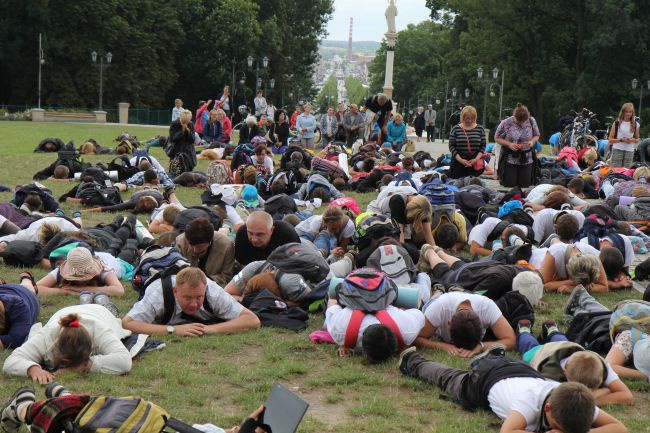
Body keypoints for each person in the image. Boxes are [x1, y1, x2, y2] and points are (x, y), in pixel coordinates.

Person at [399, 348, 628, 433]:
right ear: (547, 408)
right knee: (449, 378)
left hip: (521, 371)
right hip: (485, 382)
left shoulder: (576, 402)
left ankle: (492, 356)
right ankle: (412, 360)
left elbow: (619, 428)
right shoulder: (528, 404)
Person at [515, 319, 634, 405]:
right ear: (564, 372)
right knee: (528, 345)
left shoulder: (602, 365)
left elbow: (627, 396)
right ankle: (524, 332)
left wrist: (592, 400)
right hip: (540, 354)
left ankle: (552, 330)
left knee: (560, 339)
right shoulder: (550, 375)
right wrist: (603, 391)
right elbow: (562, 402)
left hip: (569, 346)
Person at [3, 304, 132, 383]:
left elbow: (124, 361)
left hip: (100, 312)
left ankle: (104, 303)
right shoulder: (46, 336)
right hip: (64, 312)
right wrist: (32, 369)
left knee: (106, 308)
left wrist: (83, 366)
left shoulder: (99, 331)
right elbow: (11, 361)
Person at [122, 267, 260, 336]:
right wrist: (173, 330)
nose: (194, 304)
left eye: (199, 297)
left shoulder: (213, 292)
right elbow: (127, 323)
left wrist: (209, 329)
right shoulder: (158, 295)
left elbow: (252, 320)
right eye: (187, 298)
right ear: (175, 291)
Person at [416, 291, 516, 357]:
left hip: (463, 297)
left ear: (482, 322)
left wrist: (481, 346)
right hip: (437, 301)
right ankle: (437, 292)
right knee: (422, 301)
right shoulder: (439, 308)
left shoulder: (487, 307)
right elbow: (416, 338)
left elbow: (511, 340)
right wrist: (443, 346)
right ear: (449, 323)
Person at [325, 296, 425, 361]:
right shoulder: (340, 332)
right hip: (378, 291)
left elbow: (332, 301)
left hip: (359, 291)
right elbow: (418, 312)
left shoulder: (407, 332)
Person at [36, 247, 125, 297]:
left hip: (115, 262)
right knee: (111, 248)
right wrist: (66, 292)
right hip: (93, 256)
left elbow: (119, 290)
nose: (81, 281)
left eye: (85, 277)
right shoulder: (62, 270)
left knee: (125, 254)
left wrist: (81, 289)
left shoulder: (103, 269)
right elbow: (35, 289)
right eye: (76, 278)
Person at [175, 217, 235, 287]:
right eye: (191, 245)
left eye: (199, 247)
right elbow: (176, 271)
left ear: (209, 241)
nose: (195, 250)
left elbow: (226, 276)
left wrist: (203, 281)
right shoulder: (180, 242)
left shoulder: (226, 246)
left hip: (213, 286)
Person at [495, 103, 540, 188]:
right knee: (509, 184)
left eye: (524, 121)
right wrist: (509, 144)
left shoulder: (531, 121)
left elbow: (537, 135)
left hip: (526, 157)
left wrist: (531, 142)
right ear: (514, 116)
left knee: (525, 184)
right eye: (519, 121)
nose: (522, 123)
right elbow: (497, 138)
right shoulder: (506, 123)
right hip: (510, 158)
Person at [234, 211, 300, 266]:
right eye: (250, 233)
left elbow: (296, 261)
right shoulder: (242, 234)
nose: (254, 239)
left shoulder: (287, 234)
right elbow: (242, 262)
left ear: (271, 230)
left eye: (259, 234)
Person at [538, 243, 609, 293]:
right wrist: (572, 282)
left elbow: (604, 287)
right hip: (539, 256)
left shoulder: (593, 257)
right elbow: (543, 286)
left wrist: (575, 289)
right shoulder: (555, 253)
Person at [0, 276, 40, 349]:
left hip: (25, 293)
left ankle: (26, 278)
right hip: (3, 289)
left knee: (28, 287)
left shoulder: (19, 306)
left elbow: (15, 339)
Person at [448, 105, 486, 178]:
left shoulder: (480, 129)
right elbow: (451, 146)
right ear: (463, 117)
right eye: (467, 118)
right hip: (458, 163)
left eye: (472, 118)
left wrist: (476, 159)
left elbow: (483, 146)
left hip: (474, 164)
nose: (470, 120)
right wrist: (461, 160)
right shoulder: (455, 129)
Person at [609, 102, 640, 168]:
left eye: (630, 112)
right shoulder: (617, 123)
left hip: (630, 150)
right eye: (626, 112)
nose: (628, 114)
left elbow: (638, 140)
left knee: (626, 172)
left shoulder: (636, 124)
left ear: (632, 113)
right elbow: (610, 140)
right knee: (616, 171)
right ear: (623, 112)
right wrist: (621, 139)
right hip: (617, 149)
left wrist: (632, 140)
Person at [167, 109, 197, 174]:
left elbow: (192, 140)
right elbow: (173, 139)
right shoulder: (174, 124)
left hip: (188, 148)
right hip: (177, 148)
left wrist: (189, 132)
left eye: (187, 121)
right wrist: (182, 131)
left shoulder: (191, 124)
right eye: (184, 122)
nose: (186, 123)